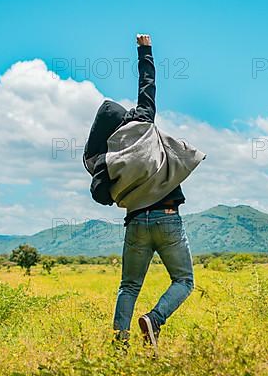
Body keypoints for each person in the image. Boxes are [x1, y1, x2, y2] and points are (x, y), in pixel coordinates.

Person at [83, 34, 204, 353]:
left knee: (129, 286)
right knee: (185, 282)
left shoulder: (108, 158)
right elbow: (147, 83)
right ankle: (154, 319)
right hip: (167, 217)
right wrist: (144, 50)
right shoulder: (144, 122)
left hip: (135, 223)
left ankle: (118, 348)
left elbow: (102, 195)